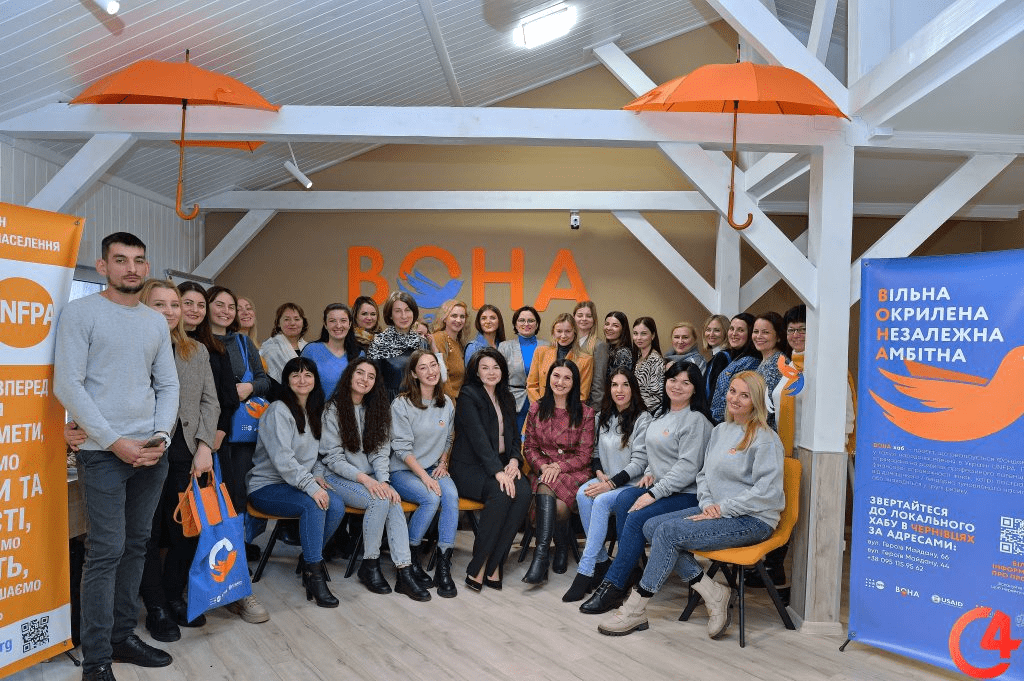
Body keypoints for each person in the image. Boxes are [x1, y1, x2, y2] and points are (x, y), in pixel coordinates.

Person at [55, 232, 180, 680]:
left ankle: (122, 637)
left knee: (136, 545)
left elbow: (168, 384)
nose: (131, 268)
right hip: (102, 454)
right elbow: (68, 385)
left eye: (139, 260)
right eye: (121, 259)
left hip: (150, 454)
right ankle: (96, 660)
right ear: (103, 266)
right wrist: (113, 441)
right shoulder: (81, 313)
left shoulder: (154, 322)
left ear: (146, 268)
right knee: (105, 551)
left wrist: (160, 436)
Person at [597, 371, 784, 639]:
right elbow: (704, 475)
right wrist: (708, 503)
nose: (735, 399)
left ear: (756, 401)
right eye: (732, 391)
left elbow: (768, 492)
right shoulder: (720, 430)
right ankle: (713, 592)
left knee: (667, 533)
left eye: (745, 395)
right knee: (650, 526)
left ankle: (635, 608)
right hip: (716, 510)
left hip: (752, 519)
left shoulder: (765, 438)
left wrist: (722, 508)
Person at [580, 360, 713, 615]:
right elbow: (655, 453)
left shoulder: (696, 421)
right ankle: (629, 569)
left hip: (687, 494)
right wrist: (650, 471)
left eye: (685, 382)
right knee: (624, 499)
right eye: (673, 380)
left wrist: (653, 494)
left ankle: (614, 583)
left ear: (695, 388)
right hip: (663, 489)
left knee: (637, 514)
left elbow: (687, 468)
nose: (677, 386)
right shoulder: (662, 415)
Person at [134, 280, 218, 642]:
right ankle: (155, 606)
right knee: (149, 533)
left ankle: (173, 595)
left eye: (174, 305)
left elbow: (210, 401)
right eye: (160, 305)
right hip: (145, 450)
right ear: (144, 306)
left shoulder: (195, 351)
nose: (169, 312)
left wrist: (205, 446)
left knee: (187, 529)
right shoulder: (133, 347)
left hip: (186, 450)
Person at [317, 358, 430, 601]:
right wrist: (367, 481)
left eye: (371, 376)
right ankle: (370, 564)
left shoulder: (377, 408)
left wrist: (384, 482)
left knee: (391, 499)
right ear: (349, 375)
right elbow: (333, 458)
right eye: (360, 373)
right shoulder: (333, 409)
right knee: (379, 500)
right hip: (336, 477)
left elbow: (380, 452)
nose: (365, 379)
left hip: (368, 477)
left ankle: (404, 571)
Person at [247, 358, 342, 608]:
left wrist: (316, 476)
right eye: (295, 375)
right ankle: (314, 573)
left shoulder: (315, 410)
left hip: (294, 484)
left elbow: (320, 455)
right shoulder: (278, 410)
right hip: (266, 486)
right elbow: (283, 460)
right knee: (315, 505)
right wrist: (311, 486)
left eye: (308, 375)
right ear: (287, 381)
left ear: (315, 380)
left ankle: (309, 556)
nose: (302, 380)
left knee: (337, 505)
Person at [205, 284, 271, 623]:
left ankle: (237, 586)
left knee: (235, 507)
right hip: (203, 439)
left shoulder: (243, 343)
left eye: (231, 306)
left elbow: (265, 381)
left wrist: (248, 387)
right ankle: (204, 585)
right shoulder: (196, 344)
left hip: (237, 441)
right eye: (219, 304)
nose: (226, 311)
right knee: (203, 513)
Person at [562, 368, 652, 602]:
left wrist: (611, 484)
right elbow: (594, 452)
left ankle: (585, 570)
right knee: (582, 494)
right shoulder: (602, 415)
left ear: (633, 389)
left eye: (625, 385)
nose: (619, 390)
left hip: (630, 484)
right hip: (607, 479)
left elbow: (639, 463)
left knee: (600, 501)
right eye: (614, 385)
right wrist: (600, 473)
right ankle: (602, 562)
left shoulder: (643, 418)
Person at [449, 348, 531, 591]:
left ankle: (495, 563)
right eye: (485, 368)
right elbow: (479, 441)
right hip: (470, 467)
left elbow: (514, 436)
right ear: (476, 372)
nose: (491, 372)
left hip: (501, 463)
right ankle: (479, 566)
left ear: (502, 371)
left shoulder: (506, 397)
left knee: (523, 492)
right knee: (501, 491)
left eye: (496, 367)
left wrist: (514, 461)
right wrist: (498, 472)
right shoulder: (468, 395)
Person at [389, 350, 458, 598]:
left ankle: (443, 565)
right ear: (414, 374)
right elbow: (401, 449)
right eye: (423, 367)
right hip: (403, 470)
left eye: (433, 365)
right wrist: (425, 477)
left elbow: (448, 437)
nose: (431, 371)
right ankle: (411, 559)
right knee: (431, 497)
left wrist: (443, 462)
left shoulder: (446, 402)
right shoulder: (401, 404)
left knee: (451, 496)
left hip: (433, 467)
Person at [521, 359, 596, 584]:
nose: (560, 382)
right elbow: (529, 447)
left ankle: (542, 555)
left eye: (567, 378)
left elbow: (584, 455)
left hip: (574, 472)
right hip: (543, 469)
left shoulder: (586, 412)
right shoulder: (536, 408)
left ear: (574, 382)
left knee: (549, 488)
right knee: (556, 502)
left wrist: (558, 467)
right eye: (556, 376)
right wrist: (544, 466)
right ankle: (557, 548)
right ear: (549, 378)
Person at [367, 291, 429, 400]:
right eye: (398, 311)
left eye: (407, 310)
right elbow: (372, 381)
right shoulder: (379, 343)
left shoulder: (422, 343)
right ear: (390, 315)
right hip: (390, 402)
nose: (404, 316)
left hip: (419, 401)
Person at [498, 305, 549, 434]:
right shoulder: (504, 347)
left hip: (541, 401)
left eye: (531, 320)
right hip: (512, 402)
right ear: (515, 324)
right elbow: (499, 378)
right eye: (521, 320)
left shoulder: (548, 346)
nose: (526, 324)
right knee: (514, 440)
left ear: (537, 324)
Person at [526, 313, 594, 405]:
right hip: (541, 408)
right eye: (559, 331)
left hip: (569, 411)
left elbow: (582, 394)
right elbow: (532, 385)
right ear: (553, 332)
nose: (563, 335)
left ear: (574, 332)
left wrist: (561, 410)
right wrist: (540, 406)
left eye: (568, 331)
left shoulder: (586, 360)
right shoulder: (540, 352)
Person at [301, 303, 361, 400]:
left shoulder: (359, 354)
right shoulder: (311, 350)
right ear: (325, 324)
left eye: (343, 321)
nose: (338, 325)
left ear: (349, 324)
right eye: (332, 321)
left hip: (350, 409)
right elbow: (299, 385)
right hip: (317, 409)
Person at [709, 313, 760, 423]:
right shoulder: (736, 357)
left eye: (740, 330)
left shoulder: (751, 362)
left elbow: (739, 398)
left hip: (732, 422)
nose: (734, 334)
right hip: (720, 423)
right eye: (731, 329)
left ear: (750, 334)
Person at [751, 311, 792, 431]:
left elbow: (766, 409)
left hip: (766, 432)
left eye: (765, 332)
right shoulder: (767, 361)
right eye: (755, 331)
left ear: (778, 336)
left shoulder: (778, 364)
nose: (758, 336)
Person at [589, 310, 633, 409]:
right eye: (607, 324)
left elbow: (620, 385)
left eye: (615, 325)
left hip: (614, 405)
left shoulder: (623, 353)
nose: (609, 328)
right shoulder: (607, 348)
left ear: (623, 329)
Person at [430, 299, 469, 403]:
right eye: (454, 316)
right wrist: (452, 404)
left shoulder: (459, 343)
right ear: (444, 318)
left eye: (462, 316)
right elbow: (443, 377)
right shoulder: (439, 338)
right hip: (446, 402)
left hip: (459, 400)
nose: (459, 320)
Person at [259, 302, 309, 383]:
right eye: (286, 319)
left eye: (297, 319)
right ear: (278, 323)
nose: (292, 323)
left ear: (303, 323)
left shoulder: (309, 348)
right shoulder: (268, 348)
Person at [631, 316, 664, 412]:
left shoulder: (655, 360)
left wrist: (636, 411)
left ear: (652, 335)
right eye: (635, 333)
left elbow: (657, 398)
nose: (638, 338)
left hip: (646, 413)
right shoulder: (638, 356)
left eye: (644, 334)